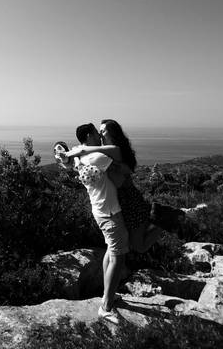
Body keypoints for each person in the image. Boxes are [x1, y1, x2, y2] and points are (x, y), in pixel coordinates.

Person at [60, 123, 128, 322]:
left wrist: (74, 152)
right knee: (119, 258)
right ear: (89, 135)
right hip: (110, 213)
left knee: (110, 250)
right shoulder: (97, 157)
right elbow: (122, 165)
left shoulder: (80, 158)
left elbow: (68, 160)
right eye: (97, 133)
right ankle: (106, 307)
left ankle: (109, 294)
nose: (100, 136)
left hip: (100, 209)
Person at [64, 119, 163, 255]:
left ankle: (164, 221)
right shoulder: (105, 153)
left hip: (129, 199)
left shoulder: (114, 150)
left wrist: (78, 151)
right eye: (99, 132)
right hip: (121, 201)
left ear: (113, 134)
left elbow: (89, 150)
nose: (100, 134)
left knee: (138, 246)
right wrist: (77, 154)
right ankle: (159, 218)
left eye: (103, 131)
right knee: (131, 242)